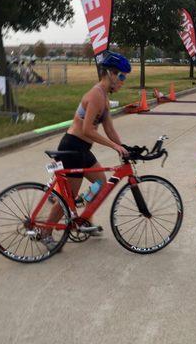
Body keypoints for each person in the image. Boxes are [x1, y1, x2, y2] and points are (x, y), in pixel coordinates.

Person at [42, 51, 131, 248]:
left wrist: (124, 147)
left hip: (82, 149)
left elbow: (109, 129)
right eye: (122, 77)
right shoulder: (96, 95)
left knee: (100, 182)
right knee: (68, 198)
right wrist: (114, 146)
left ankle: (85, 220)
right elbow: (87, 129)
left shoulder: (104, 98)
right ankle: (45, 231)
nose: (123, 82)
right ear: (110, 73)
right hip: (72, 147)